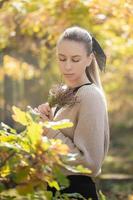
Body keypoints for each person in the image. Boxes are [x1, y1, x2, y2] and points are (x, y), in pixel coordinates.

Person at [35, 26, 110, 200]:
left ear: (89, 59)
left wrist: (49, 129)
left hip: (77, 192)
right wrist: (41, 120)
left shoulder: (89, 95)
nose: (67, 66)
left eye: (75, 59)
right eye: (62, 59)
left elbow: (90, 164)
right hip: (54, 189)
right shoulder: (64, 93)